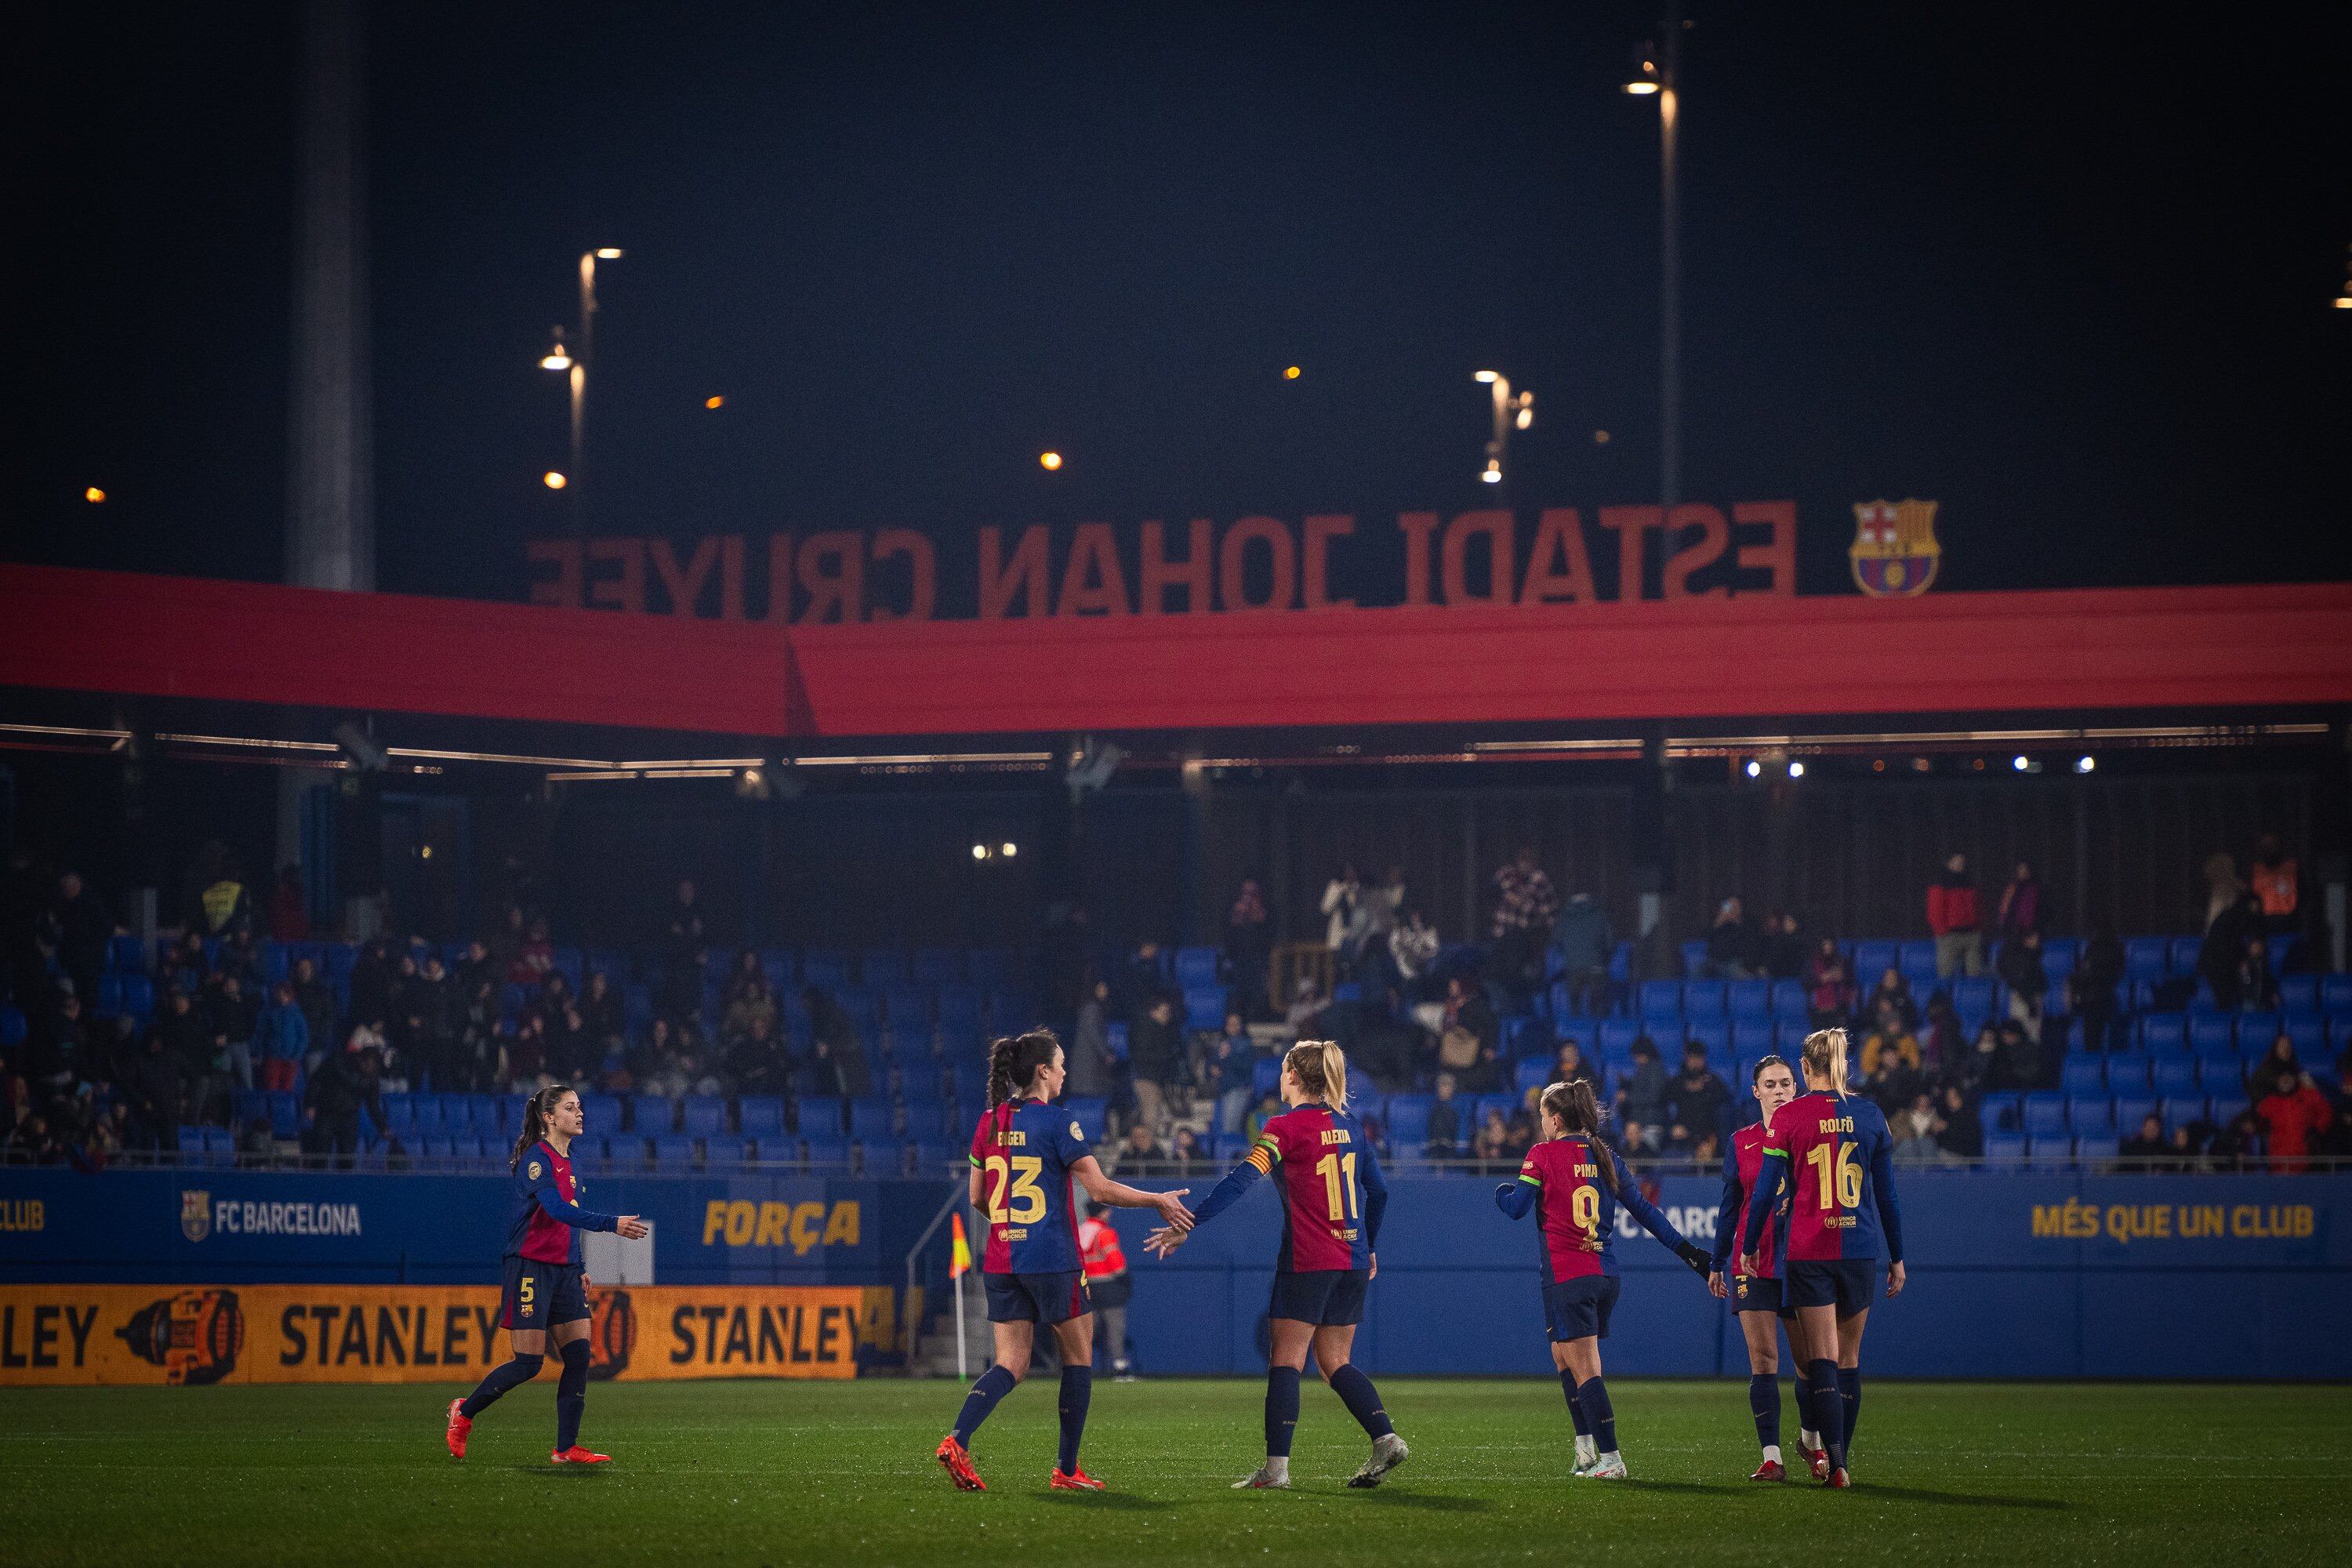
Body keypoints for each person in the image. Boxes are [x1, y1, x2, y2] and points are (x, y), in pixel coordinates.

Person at [935, 1029, 1195, 1493]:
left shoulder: (988, 1122)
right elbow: (1098, 1190)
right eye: (1059, 1065)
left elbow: (977, 1196)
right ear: (1042, 1072)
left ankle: (958, 1439)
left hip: (1001, 1258)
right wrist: (1156, 1198)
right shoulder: (1058, 1122)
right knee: (1078, 1359)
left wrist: (1010, 1225)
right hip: (1051, 1256)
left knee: (1010, 1364)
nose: (1064, 1072)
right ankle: (1067, 1470)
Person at [1144, 1042, 1407, 1490]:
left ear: (1294, 1077)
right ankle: (1386, 1438)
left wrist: (1191, 1222)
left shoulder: (1282, 1128)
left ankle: (1276, 1470)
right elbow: (1378, 1193)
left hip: (1307, 1259)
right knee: (1334, 1362)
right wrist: (1373, 1248)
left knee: (1286, 1360)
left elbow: (1242, 1178)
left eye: (1284, 1070)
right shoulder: (1350, 1126)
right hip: (1354, 1258)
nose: (1279, 1077)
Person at [1496, 1078, 1711, 1480]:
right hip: (1604, 1274)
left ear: (1556, 1120)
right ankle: (1584, 1448)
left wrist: (1502, 1193)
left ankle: (1611, 1459)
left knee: (1586, 1368)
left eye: (1543, 1116)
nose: (1541, 1124)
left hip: (1568, 1276)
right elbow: (1644, 1210)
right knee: (1564, 1356)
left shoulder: (1542, 1154)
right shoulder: (1605, 1155)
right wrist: (1688, 1251)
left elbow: (1516, 1209)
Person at [1738, 1028, 1907, 1490]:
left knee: (1823, 1360)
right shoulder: (1872, 1115)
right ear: (1843, 1066)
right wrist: (1898, 1257)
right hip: (1859, 1248)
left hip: (1810, 1250)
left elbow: (1760, 1197)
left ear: (1805, 1070)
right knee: (1850, 1358)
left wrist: (1749, 1245)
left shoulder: (1790, 1118)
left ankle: (1834, 1465)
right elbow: (1887, 1197)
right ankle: (1841, 1462)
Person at [445, 1085, 648, 1465]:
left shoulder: (574, 1160)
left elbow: (568, 1225)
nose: (580, 1113)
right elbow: (556, 1211)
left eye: (580, 1107)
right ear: (549, 1118)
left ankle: (566, 1448)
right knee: (528, 1363)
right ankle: (464, 1413)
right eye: (570, 1108)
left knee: (579, 1355)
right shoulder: (536, 1160)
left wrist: (581, 1268)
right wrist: (611, 1224)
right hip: (530, 1267)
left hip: (565, 1271)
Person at [1708, 1056, 1825, 1482]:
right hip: (1750, 1261)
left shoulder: (1813, 1138)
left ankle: (1810, 1441)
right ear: (1755, 1092)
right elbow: (1730, 1208)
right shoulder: (1742, 1142)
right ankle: (1772, 1456)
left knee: (1809, 1363)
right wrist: (1718, 1261)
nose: (1779, 1091)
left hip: (1798, 1261)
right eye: (1770, 1085)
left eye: (1786, 1083)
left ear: (1797, 1089)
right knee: (1764, 1359)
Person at [1076, 1200, 1136, 1381]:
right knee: (1114, 1328)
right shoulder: (1105, 1233)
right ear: (1102, 1213)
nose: (1110, 1213)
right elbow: (1116, 1263)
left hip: (1086, 1287)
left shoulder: (1079, 1232)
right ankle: (1120, 1369)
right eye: (1107, 1210)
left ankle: (1077, 1368)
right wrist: (1126, 1281)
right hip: (1109, 1287)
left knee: (1087, 1330)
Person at [2256, 1068, 2332, 1175]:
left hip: (2307, 1165)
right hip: (2278, 1166)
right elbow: (2254, 1121)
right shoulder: (2269, 1102)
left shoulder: (2308, 1095)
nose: (2286, 1080)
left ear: (2295, 1079)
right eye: (2282, 1077)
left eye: (2289, 1077)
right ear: (2277, 1080)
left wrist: (2318, 1129)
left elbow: (2326, 1112)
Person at [1550, 891, 1613, 1016]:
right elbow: (1610, 941)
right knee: (1597, 1004)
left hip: (1573, 966)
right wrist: (1602, 958)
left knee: (1575, 1004)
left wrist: (1569, 954)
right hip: (1597, 965)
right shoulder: (1600, 916)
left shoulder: (1564, 918)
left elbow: (1556, 941)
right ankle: (1596, 1030)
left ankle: (1577, 1033)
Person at [1667, 1044, 1733, 1158]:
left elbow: (1726, 1105)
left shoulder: (1713, 1083)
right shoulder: (1676, 1083)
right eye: (1692, 1058)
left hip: (1707, 1137)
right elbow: (1665, 1107)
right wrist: (1672, 1127)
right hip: (1682, 1138)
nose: (1695, 1063)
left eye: (1698, 1058)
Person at [1926, 853, 1982, 978]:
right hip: (1949, 935)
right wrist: (1942, 931)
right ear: (1949, 863)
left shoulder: (1970, 882)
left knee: (1975, 974)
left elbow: (1978, 907)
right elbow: (1935, 910)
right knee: (1946, 973)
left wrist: (1977, 928)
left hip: (1970, 933)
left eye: (1962, 863)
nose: (1960, 865)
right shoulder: (1940, 883)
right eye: (1956, 862)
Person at [1225, 880, 1274, 1020]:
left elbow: (1267, 935)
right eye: (1245, 893)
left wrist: (1257, 916)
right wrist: (1239, 915)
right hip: (1238, 960)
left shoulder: (1264, 911)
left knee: (1259, 992)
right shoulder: (1235, 910)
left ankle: (1257, 1017)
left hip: (1258, 960)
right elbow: (1229, 935)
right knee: (1239, 992)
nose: (1248, 898)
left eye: (1252, 894)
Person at [252, 980, 310, 1093]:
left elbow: (303, 1036)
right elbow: (260, 1034)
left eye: (285, 993)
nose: (282, 996)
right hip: (272, 1057)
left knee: (287, 1090)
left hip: (290, 1059)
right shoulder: (268, 1012)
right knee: (271, 1088)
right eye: (280, 993)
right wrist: (257, 1053)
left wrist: (296, 1055)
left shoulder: (296, 1013)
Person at [2249, 834, 2299, 936]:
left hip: (2288, 922)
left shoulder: (2292, 869)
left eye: (2273, 845)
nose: (2269, 849)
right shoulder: (2255, 871)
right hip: (2260, 922)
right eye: (2266, 846)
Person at [1803, 938, 1852, 1030]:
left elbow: (1850, 982)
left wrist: (1842, 978)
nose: (1828, 947)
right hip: (1818, 1011)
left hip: (1837, 1010)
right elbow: (1806, 983)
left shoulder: (1841, 960)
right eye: (1825, 944)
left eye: (1830, 945)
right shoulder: (1812, 963)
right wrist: (1821, 979)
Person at [1994, 862, 2040, 941]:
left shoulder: (2033, 889)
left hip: (2027, 929)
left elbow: (2034, 909)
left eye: (2023, 869)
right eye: (2020, 869)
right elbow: (2005, 905)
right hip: (2011, 927)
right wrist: (2002, 919)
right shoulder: (2012, 887)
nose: (2021, 871)